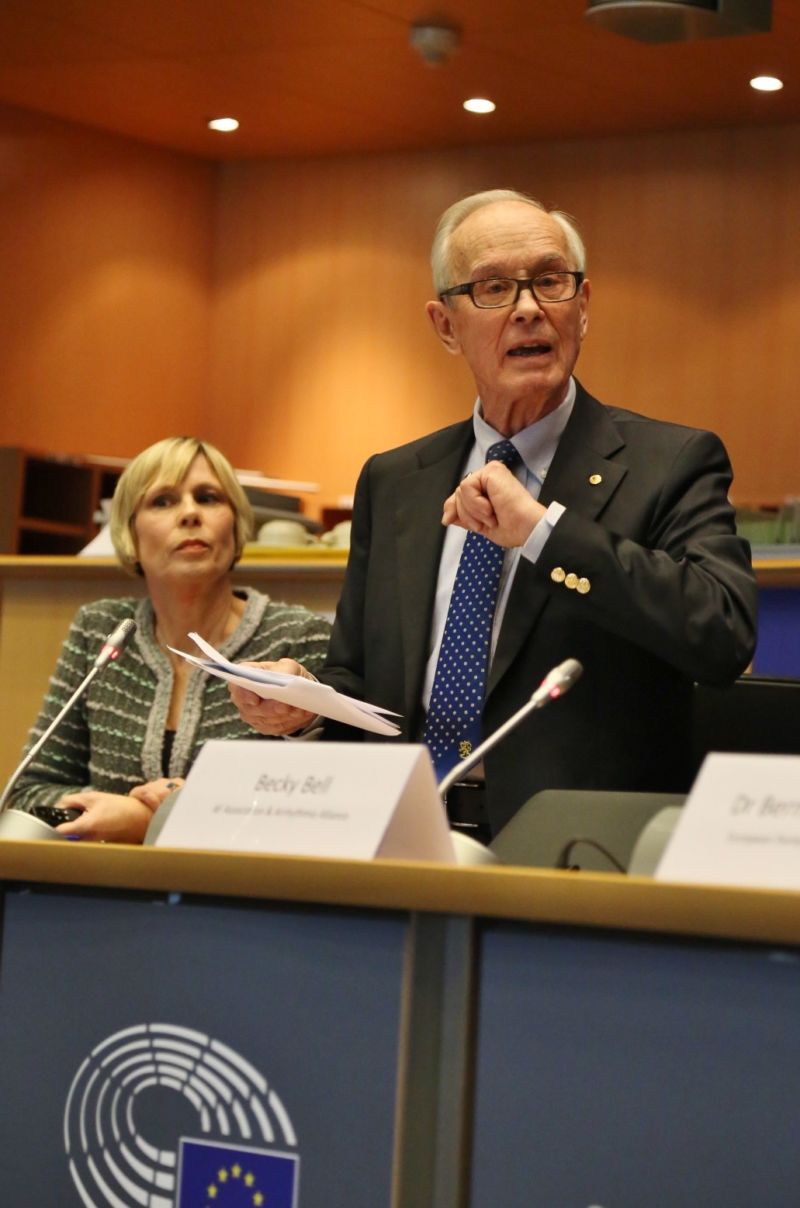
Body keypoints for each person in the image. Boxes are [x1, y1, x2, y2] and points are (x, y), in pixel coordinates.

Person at [232, 189, 757, 839]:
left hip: (576, 849)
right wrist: (306, 702)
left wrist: (542, 531)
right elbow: (363, 677)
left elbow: (722, 635)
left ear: (583, 307)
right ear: (445, 326)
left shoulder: (670, 462)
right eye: (494, 288)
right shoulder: (395, 481)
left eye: (550, 281)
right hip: (402, 834)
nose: (529, 309)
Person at [9, 436, 330, 841]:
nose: (190, 513)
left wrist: (157, 819)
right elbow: (27, 792)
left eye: (208, 498)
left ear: (236, 526)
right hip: (105, 877)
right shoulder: (101, 629)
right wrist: (118, 813)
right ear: (129, 534)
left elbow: (325, 805)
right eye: (163, 501)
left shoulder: (296, 638)